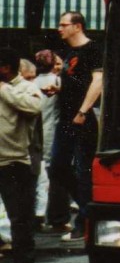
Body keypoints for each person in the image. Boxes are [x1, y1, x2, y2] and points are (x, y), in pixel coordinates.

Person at [52, 11, 103, 246]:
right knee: (58, 167)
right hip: (66, 118)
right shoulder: (70, 53)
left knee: (84, 170)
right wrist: (56, 88)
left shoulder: (92, 49)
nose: (59, 29)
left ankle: (84, 223)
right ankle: (87, 212)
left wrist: (83, 111)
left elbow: (98, 81)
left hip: (82, 118)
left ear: (77, 26)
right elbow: (72, 81)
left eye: (63, 25)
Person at [0, 47, 45, 263]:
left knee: (20, 219)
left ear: (5, 68)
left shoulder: (26, 87)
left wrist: (4, 90)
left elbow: (34, 108)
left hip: (15, 162)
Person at [32, 50, 68, 233]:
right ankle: (55, 217)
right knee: (52, 175)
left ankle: (39, 215)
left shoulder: (31, 83)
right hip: (53, 131)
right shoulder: (58, 82)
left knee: (40, 174)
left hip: (37, 134)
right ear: (53, 64)